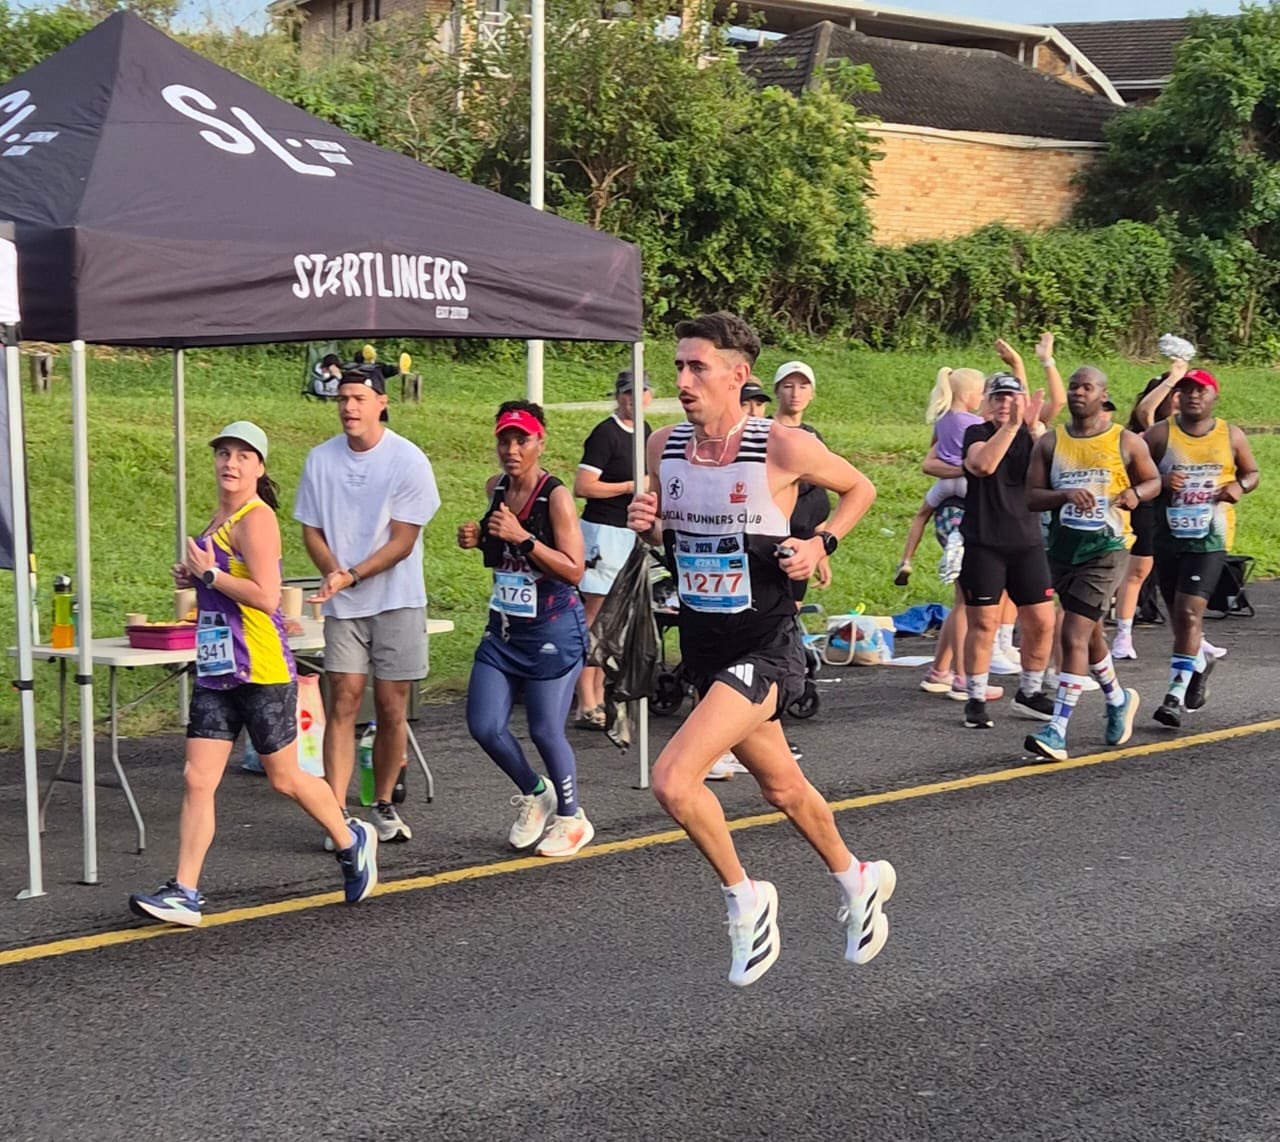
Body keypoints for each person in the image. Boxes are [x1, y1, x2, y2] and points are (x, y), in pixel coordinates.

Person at [627, 312, 893, 988]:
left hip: (768, 648)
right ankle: (857, 878)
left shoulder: (779, 447)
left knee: (672, 780)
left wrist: (819, 542)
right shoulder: (665, 447)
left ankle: (747, 899)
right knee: (782, 787)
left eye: (697, 367)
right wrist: (652, 528)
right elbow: (675, 543)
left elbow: (861, 488)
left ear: (738, 376)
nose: (682, 379)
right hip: (707, 648)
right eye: (679, 365)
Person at [129, 422, 377, 926]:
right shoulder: (218, 516)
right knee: (197, 777)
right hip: (218, 667)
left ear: (259, 468)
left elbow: (267, 595)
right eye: (223, 453)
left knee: (284, 778)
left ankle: (352, 839)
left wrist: (210, 575)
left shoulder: (256, 518)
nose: (231, 463)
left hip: (259, 667)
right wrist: (197, 579)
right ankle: (186, 891)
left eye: (243, 456)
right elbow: (220, 581)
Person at [294, 367, 440, 844]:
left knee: (391, 705)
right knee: (344, 699)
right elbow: (310, 528)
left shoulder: (408, 460)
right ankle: (335, 812)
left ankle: (382, 804)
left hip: (396, 599)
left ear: (381, 402)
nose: (348, 407)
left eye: (358, 397)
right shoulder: (320, 460)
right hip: (344, 603)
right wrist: (333, 571)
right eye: (342, 398)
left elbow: (403, 541)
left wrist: (350, 575)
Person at [458, 402, 594, 857]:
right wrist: (479, 537)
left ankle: (573, 818)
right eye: (505, 440)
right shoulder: (495, 487)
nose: (512, 449)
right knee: (484, 725)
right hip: (504, 629)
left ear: (540, 443)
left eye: (522, 440)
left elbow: (575, 569)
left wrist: (523, 538)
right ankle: (537, 793)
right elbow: (498, 540)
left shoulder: (554, 495)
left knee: (544, 730)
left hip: (553, 629)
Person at [1023, 368, 1162, 761]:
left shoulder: (1126, 441)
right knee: (1091, 631)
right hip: (1064, 549)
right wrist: (1064, 494)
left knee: (1072, 632)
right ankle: (1118, 700)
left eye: (1087, 387)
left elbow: (1154, 482)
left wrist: (1136, 494)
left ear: (1104, 396)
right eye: (1074, 387)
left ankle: (1057, 730)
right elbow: (1031, 497)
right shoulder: (1051, 443)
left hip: (1108, 548)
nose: (1079, 393)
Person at [1144, 369, 1259, 728]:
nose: (1194, 396)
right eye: (1187, 390)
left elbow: (1252, 473)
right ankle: (1200, 663)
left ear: (1214, 397)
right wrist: (1161, 481)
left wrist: (1239, 487)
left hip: (1210, 539)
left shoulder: (1230, 435)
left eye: (1201, 390)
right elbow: (1134, 473)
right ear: (1178, 396)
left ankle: (1174, 698)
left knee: (1190, 614)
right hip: (1168, 537)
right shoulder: (1161, 434)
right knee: (1180, 619)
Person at [958, 368, 1060, 730]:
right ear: (987, 402)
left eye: (1011, 397)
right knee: (983, 623)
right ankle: (975, 696)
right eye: (997, 397)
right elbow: (983, 465)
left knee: (1042, 621)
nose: (1004, 403)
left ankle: (1030, 692)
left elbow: (1052, 468)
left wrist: (1033, 429)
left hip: (1027, 542)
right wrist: (1012, 427)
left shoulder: (1032, 436)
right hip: (985, 542)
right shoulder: (977, 433)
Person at [572, 371, 652, 730]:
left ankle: (601, 693)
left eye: (640, 392)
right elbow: (584, 486)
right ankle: (584, 700)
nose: (633, 399)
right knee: (593, 616)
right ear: (618, 397)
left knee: (614, 618)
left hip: (629, 533)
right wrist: (628, 487)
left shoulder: (647, 434)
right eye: (627, 393)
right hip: (602, 533)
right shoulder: (606, 434)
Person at [1111, 361, 1186, 659]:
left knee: (1180, 573)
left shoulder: (1186, 428)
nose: (1181, 402)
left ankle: (1194, 638)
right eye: (1176, 397)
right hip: (1145, 506)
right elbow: (1145, 411)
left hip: (1175, 511)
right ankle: (1123, 635)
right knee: (1138, 570)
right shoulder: (1148, 428)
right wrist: (1173, 378)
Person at [894, 366, 984, 588]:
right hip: (966, 482)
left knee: (921, 516)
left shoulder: (942, 419)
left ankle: (906, 560)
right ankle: (959, 540)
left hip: (944, 483)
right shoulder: (976, 423)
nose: (982, 398)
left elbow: (934, 446)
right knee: (982, 514)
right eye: (980, 393)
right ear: (966, 395)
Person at [772, 360, 833, 600]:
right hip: (771, 543)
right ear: (777, 391)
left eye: (803, 386)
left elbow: (819, 496)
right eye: (788, 386)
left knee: (793, 608)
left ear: (812, 394)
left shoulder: (813, 436)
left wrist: (821, 552)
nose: (795, 393)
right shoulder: (764, 432)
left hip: (805, 541)